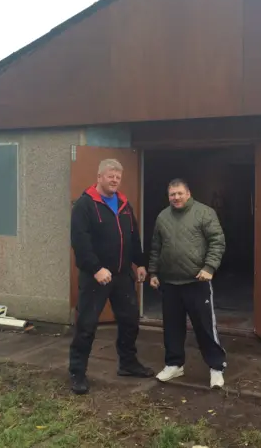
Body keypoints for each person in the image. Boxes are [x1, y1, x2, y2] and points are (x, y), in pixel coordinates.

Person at [69, 158, 154, 395]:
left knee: (130, 321)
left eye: (118, 176)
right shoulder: (85, 205)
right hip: (95, 277)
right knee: (86, 325)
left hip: (122, 276)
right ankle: (77, 373)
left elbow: (133, 236)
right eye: (110, 175)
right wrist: (96, 268)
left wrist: (140, 263)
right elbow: (80, 241)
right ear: (99, 177)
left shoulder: (124, 204)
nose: (115, 179)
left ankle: (128, 364)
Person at [149, 178, 227, 388]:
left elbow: (217, 242)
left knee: (204, 327)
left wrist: (209, 268)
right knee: (172, 326)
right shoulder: (163, 217)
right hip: (170, 283)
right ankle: (174, 365)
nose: (176, 197)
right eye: (172, 194)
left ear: (188, 193)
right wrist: (153, 272)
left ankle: (216, 367)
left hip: (197, 281)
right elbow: (156, 247)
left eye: (179, 193)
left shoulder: (204, 213)